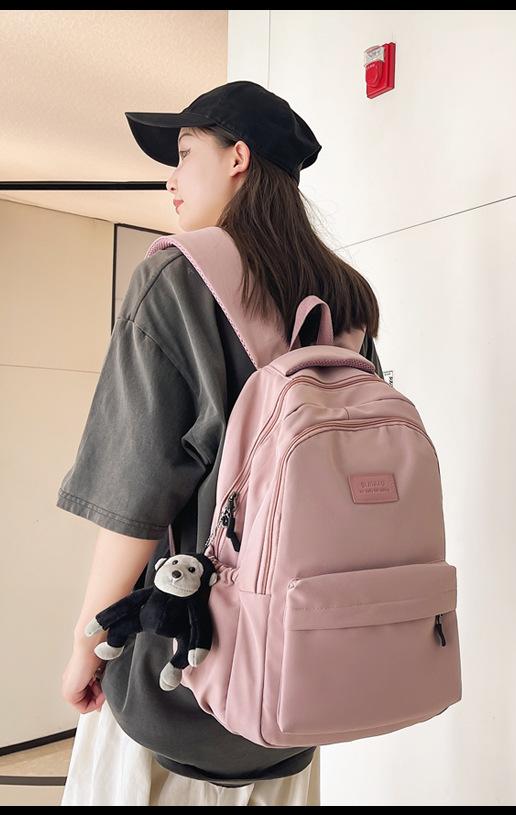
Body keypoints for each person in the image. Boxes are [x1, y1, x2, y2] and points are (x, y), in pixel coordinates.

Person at [58, 81, 384, 805]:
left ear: (238, 157)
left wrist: (87, 643)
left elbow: (135, 495)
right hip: (299, 675)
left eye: (184, 153)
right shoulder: (348, 299)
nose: (170, 179)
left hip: (175, 670)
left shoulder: (175, 278)